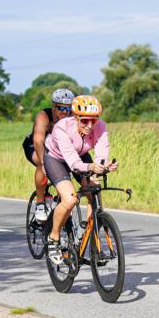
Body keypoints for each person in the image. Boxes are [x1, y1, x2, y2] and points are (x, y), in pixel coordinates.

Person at [42, 94, 117, 264]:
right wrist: (91, 167)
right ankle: (53, 238)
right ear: (75, 117)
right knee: (70, 200)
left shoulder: (100, 126)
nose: (90, 125)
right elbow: (72, 161)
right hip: (57, 159)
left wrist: (103, 166)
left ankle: (89, 238)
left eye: (94, 120)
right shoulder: (62, 128)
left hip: (82, 156)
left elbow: (101, 152)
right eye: (84, 121)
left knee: (94, 190)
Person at [23, 88, 74, 221]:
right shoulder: (44, 116)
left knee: (63, 170)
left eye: (68, 109)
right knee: (42, 162)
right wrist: (44, 163)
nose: (65, 112)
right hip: (35, 145)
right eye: (61, 108)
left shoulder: (71, 117)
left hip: (56, 147)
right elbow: (38, 140)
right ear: (54, 106)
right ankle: (40, 203)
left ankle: (60, 201)